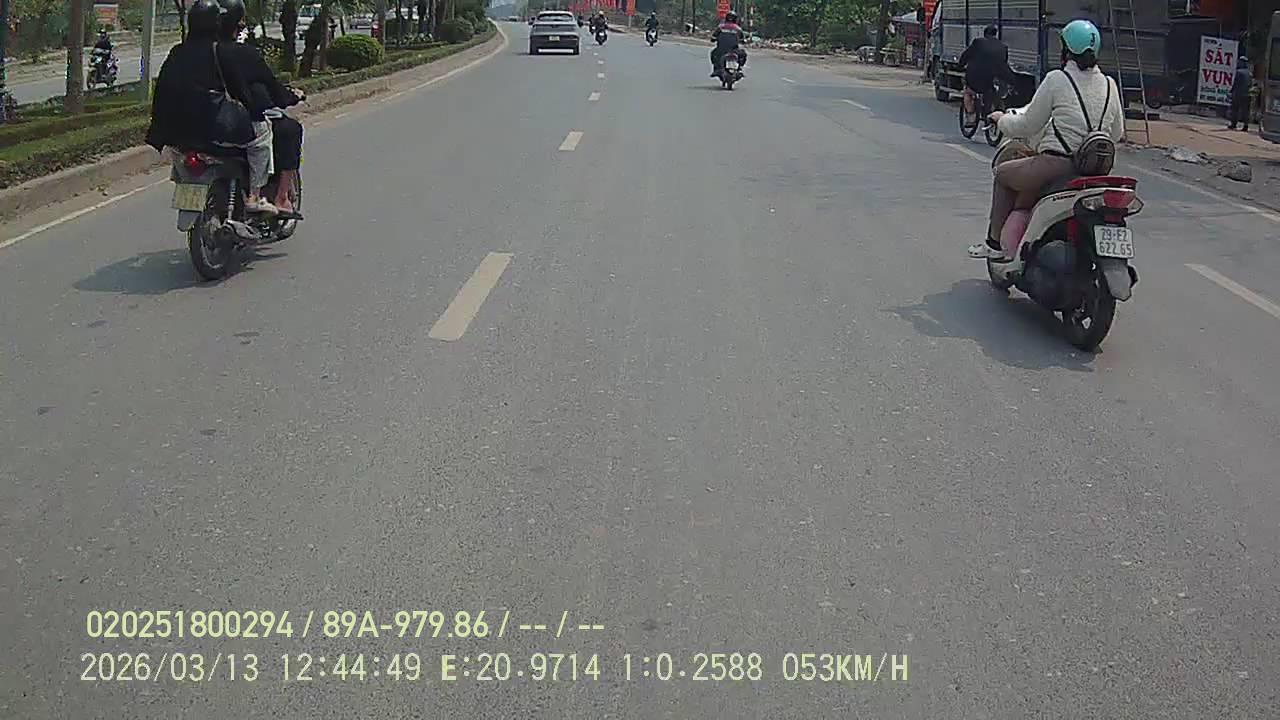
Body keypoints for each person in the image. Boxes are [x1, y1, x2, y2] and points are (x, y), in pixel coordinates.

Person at [968, 19, 1125, 260]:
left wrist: (1001, 120)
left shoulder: (1056, 79)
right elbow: (1116, 134)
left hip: (1056, 166)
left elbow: (1027, 125)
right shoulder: (1109, 84)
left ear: (1065, 50)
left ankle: (994, 244)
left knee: (1002, 175)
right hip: (1096, 171)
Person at [146, 0, 280, 215]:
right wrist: (255, 108)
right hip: (215, 130)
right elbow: (241, 92)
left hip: (178, 133)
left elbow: (161, 92)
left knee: (180, 154)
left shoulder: (177, 52)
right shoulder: (219, 52)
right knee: (262, 133)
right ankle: (255, 196)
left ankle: (183, 182)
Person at [217, 0, 305, 216]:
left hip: (198, 129)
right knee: (288, 130)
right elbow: (272, 87)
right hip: (236, 125)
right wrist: (291, 96)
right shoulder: (244, 54)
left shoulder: (191, 53)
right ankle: (279, 197)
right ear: (238, 26)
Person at [958, 25, 1009, 117]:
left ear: (985, 34)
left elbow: (965, 56)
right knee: (992, 91)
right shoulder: (1003, 47)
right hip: (991, 79)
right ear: (996, 34)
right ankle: (992, 110)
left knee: (968, 92)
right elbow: (1004, 64)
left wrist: (960, 66)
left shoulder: (978, 42)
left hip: (974, 78)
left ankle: (970, 115)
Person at [710, 11, 745, 77]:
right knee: (743, 55)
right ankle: (740, 68)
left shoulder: (721, 27)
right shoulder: (738, 29)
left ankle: (716, 69)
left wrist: (713, 39)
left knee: (713, 54)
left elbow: (713, 37)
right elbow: (742, 40)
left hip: (721, 49)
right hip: (734, 50)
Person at [1227, 55, 1252, 131]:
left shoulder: (1239, 72)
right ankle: (1246, 125)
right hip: (1247, 94)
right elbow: (1251, 84)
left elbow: (1236, 83)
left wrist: (1231, 91)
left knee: (1235, 109)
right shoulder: (1250, 73)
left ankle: (1233, 124)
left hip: (1238, 94)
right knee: (1245, 111)